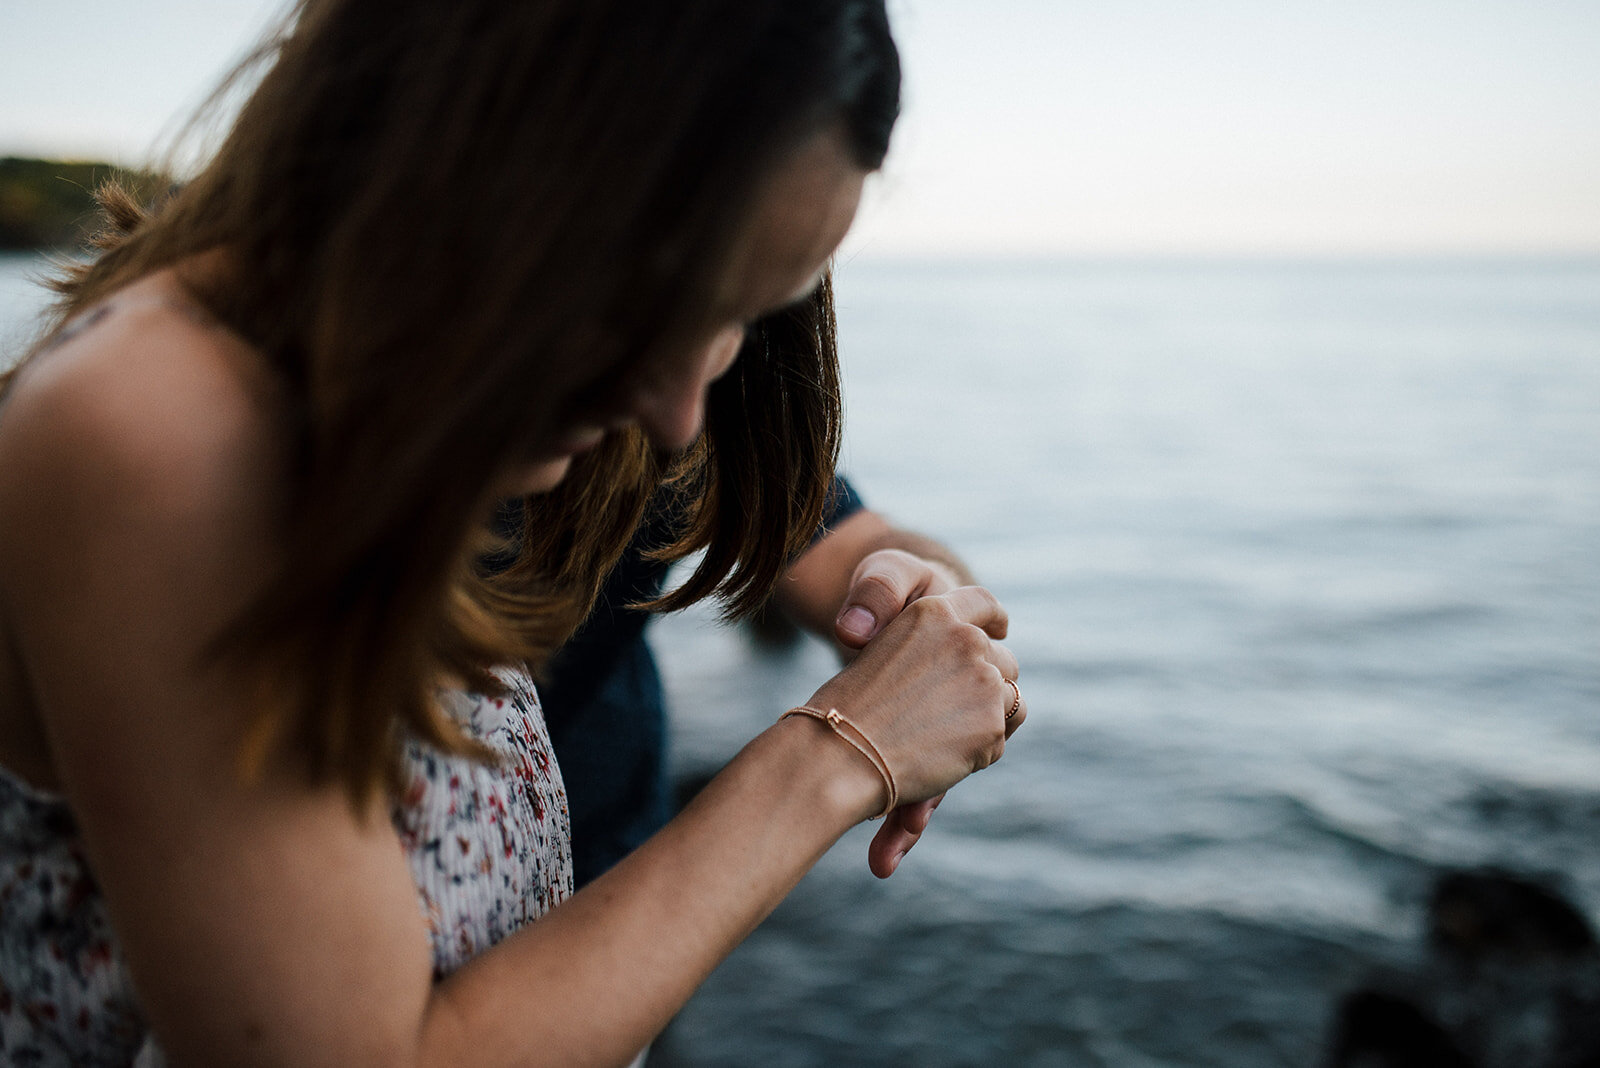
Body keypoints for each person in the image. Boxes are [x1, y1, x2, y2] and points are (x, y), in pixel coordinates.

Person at [0, 1, 1026, 1065]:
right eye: (652, 307)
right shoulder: (161, 438)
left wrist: (930, 624)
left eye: (738, 318)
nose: (678, 415)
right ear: (469, 146)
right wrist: (839, 752)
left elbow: (840, 536)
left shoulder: (561, 368)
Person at [541, 470, 980, 887]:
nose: (687, 425)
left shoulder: (704, 414)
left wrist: (931, 601)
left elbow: (844, 539)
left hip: (615, 813)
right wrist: (830, 764)